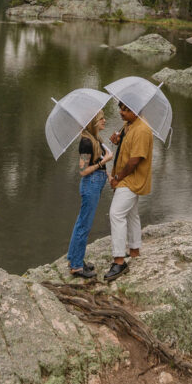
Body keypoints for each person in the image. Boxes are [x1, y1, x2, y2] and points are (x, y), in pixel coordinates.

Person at [104, 101, 153, 282]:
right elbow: (125, 144)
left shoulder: (142, 130)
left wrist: (117, 178)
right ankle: (134, 250)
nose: (121, 112)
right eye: (121, 108)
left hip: (131, 179)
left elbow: (134, 161)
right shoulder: (130, 124)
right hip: (127, 178)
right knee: (131, 214)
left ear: (137, 111)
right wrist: (118, 139)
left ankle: (119, 261)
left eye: (126, 110)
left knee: (115, 214)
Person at [67, 109, 113, 279]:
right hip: (90, 183)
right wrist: (104, 160)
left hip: (96, 182)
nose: (105, 121)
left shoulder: (95, 140)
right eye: (101, 119)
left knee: (82, 222)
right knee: (84, 225)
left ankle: (74, 259)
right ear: (93, 122)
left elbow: (98, 165)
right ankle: (77, 267)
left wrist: (107, 173)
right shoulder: (86, 142)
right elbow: (83, 171)